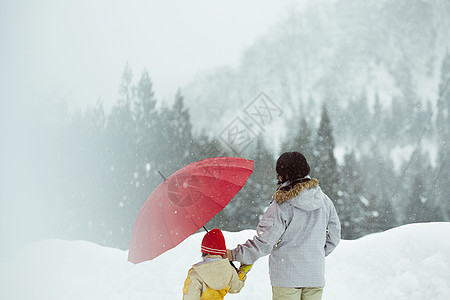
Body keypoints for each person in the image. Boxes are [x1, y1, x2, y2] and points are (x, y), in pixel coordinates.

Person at [227, 152, 341, 300]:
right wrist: (315, 253)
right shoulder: (325, 201)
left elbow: (264, 242)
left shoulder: (282, 204)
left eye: (279, 174)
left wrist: (234, 254)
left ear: (285, 174)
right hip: (315, 277)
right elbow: (335, 236)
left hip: (286, 277)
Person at [182, 228, 251, 300]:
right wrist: (242, 271)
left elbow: (189, 297)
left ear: (204, 250)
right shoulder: (230, 270)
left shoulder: (195, 273)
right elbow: (236, 288)